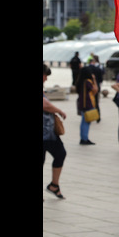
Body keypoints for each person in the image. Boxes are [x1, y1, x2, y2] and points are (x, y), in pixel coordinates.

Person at [43, 63, 67, 199]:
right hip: (45, 133)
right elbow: (44, 104)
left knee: (60, 154)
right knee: (60, 154)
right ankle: (54, 185)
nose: (46, 79)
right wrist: (58, 110)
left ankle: (54, 185)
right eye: (45, 75)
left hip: (48, 133)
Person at [75, 65, 99, 145]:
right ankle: (84, 139)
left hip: (82, 104)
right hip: (88, 104)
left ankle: (83, 138)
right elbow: (95, 90)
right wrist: (94, 79)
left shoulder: (80, 81)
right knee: (86, 122)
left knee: (83, 122)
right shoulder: (88, 82)